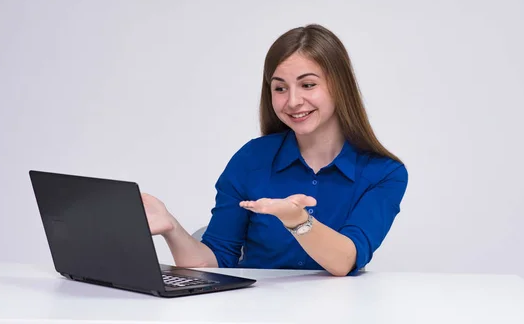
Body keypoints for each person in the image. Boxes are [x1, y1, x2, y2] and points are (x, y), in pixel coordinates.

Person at [142, 24, 408, 277]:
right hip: (255, 311)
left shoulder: (384, 173)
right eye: (280, 88)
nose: (292, 101)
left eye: (308, 85)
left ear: (340, 86)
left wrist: (296, 220)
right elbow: (213, 262)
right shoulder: (251, 160)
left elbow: (345, 259)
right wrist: (172, 228)